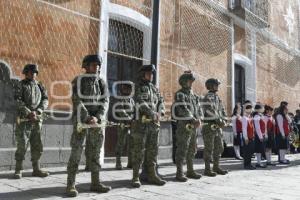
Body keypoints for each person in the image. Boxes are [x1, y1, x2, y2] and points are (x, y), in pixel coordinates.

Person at [66, 54, 110, 197]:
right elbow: (76, 99)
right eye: (93, 64)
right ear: (86, 66)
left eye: (98, 65)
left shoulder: (101, 82)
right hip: (81, 121)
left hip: (96, 122)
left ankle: (95, 182)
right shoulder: (78, 80)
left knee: (96, 152)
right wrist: (87, 117)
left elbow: (105, 100)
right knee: (76, 151)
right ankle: (71, 184)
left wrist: (98, 117)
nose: (96, 67)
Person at [131, 64, 166, 188]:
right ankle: (135, 177)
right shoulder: (137, 87)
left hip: (153, 125)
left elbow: (161, 101)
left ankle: (151, 175)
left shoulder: (154, 88)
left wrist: (160, 112)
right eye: (148, 73)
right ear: (142, 74)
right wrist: (152, 113)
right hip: (141, 124)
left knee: (152, 151)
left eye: (152, 74)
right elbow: (140, 101)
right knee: (138, 151)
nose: (151, 75)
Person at [13, 64, 49, 179]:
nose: (33, 74)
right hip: (24, 120)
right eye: (31, 72)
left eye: (35, 72)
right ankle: (18, 169)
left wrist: (38, 111)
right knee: (22, 144)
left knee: (37, 144)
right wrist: (28, 112)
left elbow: (45, 99)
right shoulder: (21, 84)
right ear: (26, 72)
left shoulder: (40, 85)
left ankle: (36, 169)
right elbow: (17, 100)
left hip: (37, 120)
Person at [173, 71, 202, 182]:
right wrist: (193, 119)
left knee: (192, 148)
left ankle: (190, 170)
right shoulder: (180, 94)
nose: (191, 83)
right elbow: (183, 108)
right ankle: (179, 172)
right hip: (184, 125)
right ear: (184, 82)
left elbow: (199, 109)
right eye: (189, 81)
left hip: (194, 126)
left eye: (191, 81)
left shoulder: (194, 96)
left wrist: (200, 118)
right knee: (182, 148)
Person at [202, 78, 228, 176]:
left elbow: (222, 110)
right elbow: (210, 111)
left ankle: (216, 167)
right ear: (210, 85)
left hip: (218, 127)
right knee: (209, 148)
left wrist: (224, 119)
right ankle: (207, 169)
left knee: (219, 147)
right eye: (215, 84)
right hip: (209, 126)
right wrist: (220, 121)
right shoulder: (207, 97)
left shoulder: (217, 98)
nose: (217, 86)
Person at [114, 82, 135, 170]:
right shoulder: (120, 99)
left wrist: (134, 119)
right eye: (128, 88)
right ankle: (118, 162)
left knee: (132, 143)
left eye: (131, 89)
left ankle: (130, 162)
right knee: (121, 143)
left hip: (131, 124)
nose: (129, 90)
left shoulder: (132, 100)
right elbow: (120, 111)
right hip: (122, 123)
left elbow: (135, 111)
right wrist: (129, 118)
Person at [242, 102, 256, 170]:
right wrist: (246, 138)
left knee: (250, 152)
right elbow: (244, 129)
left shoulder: (250, 118)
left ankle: (249, 164)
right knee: (247, 152)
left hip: (251, 136)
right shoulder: (244, 118)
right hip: (247, 138)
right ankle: (246, 164)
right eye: (250, 109)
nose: (251, 110)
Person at [253, 104, 267, 168]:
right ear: (258, 109)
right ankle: (258, 162)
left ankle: (259, 162)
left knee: (261, 149)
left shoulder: (261, 115)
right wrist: (260, 136)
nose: (263, 109)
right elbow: (257, 128)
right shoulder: (256, 116)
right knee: (259, 149)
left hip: (262, 134)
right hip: (259, 135)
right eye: (262, 108)